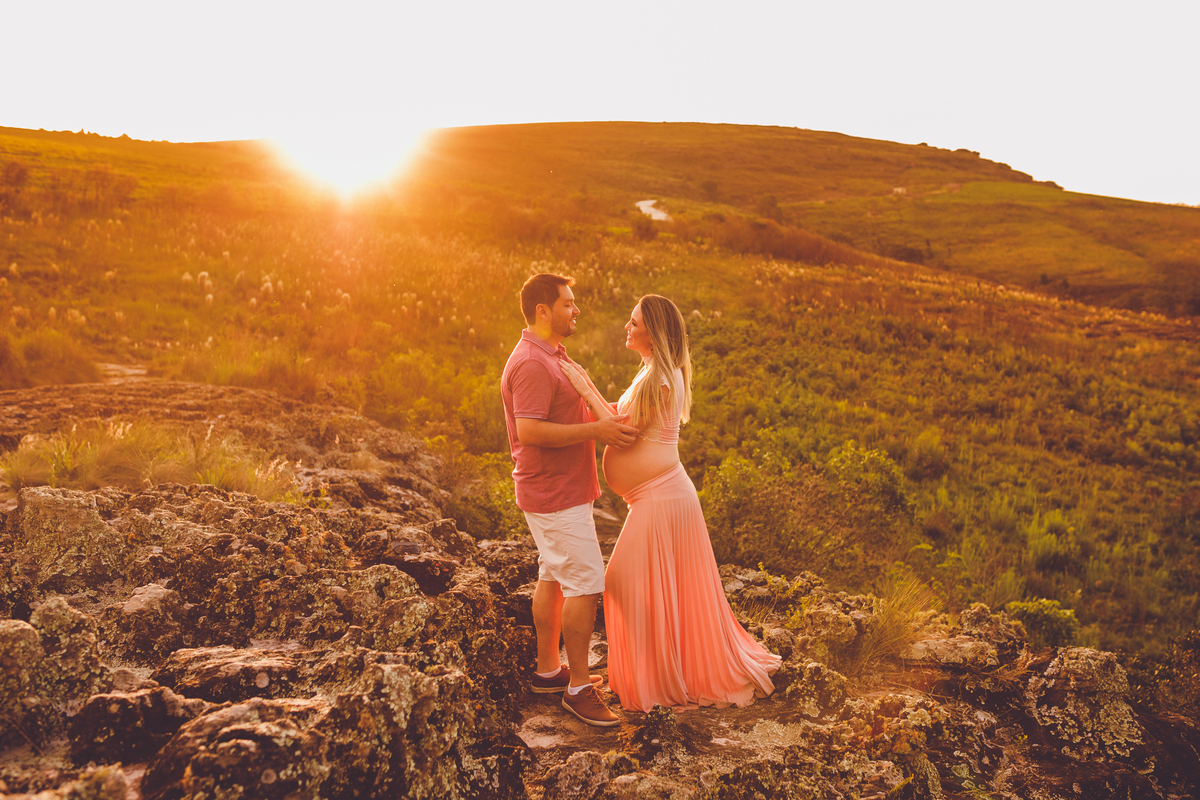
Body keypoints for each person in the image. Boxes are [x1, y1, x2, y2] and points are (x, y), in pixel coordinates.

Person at [560, 294, 781, 712]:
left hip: (661, 496)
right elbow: (617, 414)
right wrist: (585, 384)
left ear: (654, 332)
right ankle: (658, 674)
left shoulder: (661, 377)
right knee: (657, 589)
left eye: (634, 322)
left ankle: (656, 682)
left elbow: (623, 431)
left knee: (622, 582)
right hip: (656, 496)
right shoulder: (652, 372)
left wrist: (582, 389)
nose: (627, 328)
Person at [500, 273, 640, 727]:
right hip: (552, 492)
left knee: (554, 574)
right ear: (543, 310)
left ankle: (548, 671)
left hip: (560, 490)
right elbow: (530, 431)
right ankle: (579, 688)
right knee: (585, 582)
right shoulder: (532, 364)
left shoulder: (552, 355)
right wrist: (597, 432)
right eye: (567, 304)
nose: (576, 310)